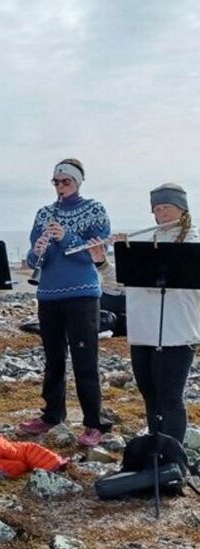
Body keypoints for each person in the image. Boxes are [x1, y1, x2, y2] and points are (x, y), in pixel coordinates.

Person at [90, 183, 198, 444]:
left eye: (167, 208)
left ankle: (173, 456)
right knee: (149, 392)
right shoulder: (143, 243)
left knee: (170, 396)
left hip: (177, 334)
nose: (161, 215)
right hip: (142, 332)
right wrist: (103, 261)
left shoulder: (194, 244)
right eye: (157, 209)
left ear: (182, 210)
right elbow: (120, 286)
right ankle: (154, 446)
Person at [19, 159, 112, 447]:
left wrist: (67, 236)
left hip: (83, 294)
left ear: (78, 182)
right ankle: (52, 415)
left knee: (85, 360)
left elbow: (96, 253)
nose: (60, 187)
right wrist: (37, 250)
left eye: (66, 181)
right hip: (49, 294)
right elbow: (34, 260)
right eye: (56, 182)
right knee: (53, 359)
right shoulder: (44, 213)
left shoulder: (95, 209)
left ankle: (94, 423)